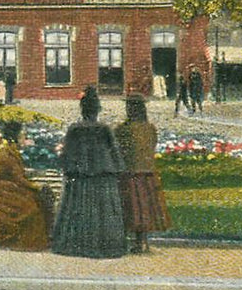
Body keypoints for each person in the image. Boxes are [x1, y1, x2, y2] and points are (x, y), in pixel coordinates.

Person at [50, 86, 128, 259]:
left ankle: (76, 243)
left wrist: (67, 166)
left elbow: (66, 154)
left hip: (80, 175)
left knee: (78, 209)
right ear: (97, 110)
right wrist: (118, 168)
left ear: (83, 109)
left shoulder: (75, 128)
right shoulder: (104, 129)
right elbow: (114, 152)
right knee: (102, 211)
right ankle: (104, 245)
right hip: (102, 174)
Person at [115, 95, 171, 254]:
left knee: (130, 208)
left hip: (130, 173)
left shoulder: (123, 129)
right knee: (145, 208)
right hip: (148, 174)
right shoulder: (150, 128)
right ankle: (141, 240)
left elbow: (118, 148)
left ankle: (130, 241)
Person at [0, 120, 50, 251]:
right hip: (1, 195)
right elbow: (19, 178)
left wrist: (32, 176)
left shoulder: (11, 151)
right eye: (22, 135)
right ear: (15, 136)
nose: (24, 137)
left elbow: (17, 175)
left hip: (8, 191)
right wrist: (37, 187)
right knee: (32, 209)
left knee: (36, 202)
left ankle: (36, 242)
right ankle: (31, 244)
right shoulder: (8, 153)